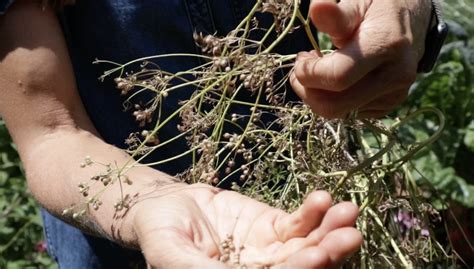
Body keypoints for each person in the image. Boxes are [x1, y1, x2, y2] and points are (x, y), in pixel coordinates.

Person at [0, 0, 432, 268]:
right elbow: (51, 131)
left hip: (319, 208)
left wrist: (407, 10)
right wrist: (149, 206)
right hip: (118, 240)